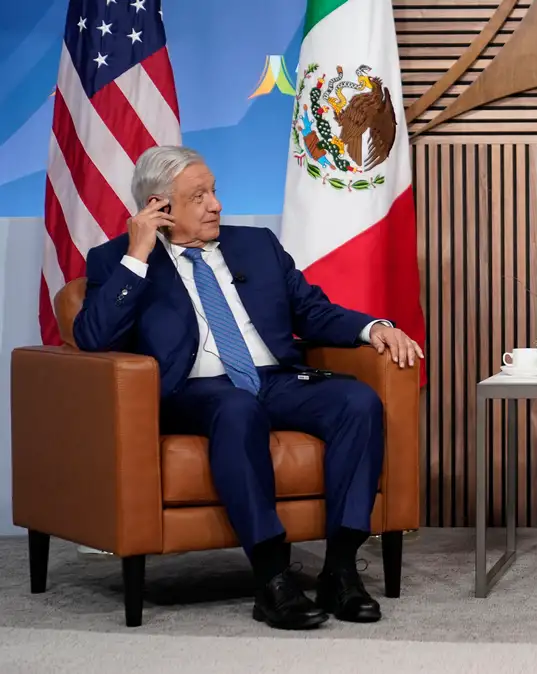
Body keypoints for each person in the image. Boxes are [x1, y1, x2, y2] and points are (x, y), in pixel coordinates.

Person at [73, 146, 424, 630]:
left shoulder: (256, 245)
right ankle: (272, 578)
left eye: (214, 192)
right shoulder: (117, 260)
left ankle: (340, 570)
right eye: (199, 197)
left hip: (274, 379)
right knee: (238, 408)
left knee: (357, 401)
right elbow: (93, 338)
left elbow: (311, 310)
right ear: (159, 207)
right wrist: (137, 255)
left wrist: (373, 328)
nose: (216, 205)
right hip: (193, 392)